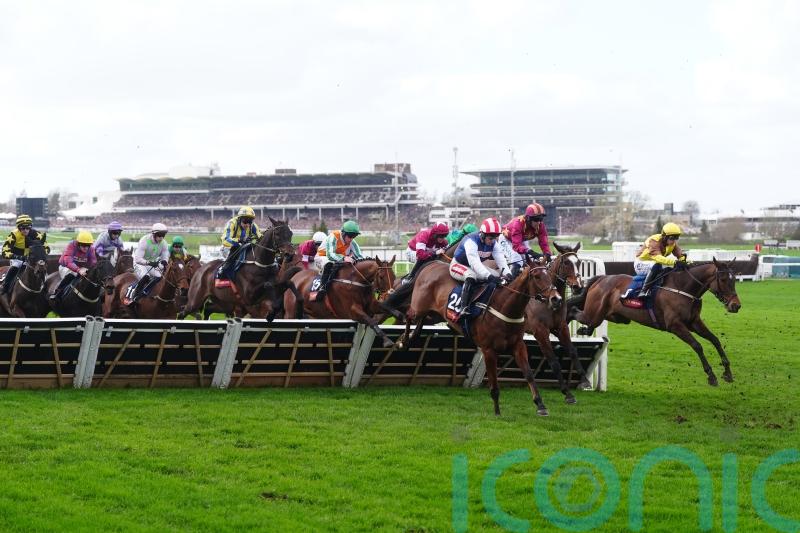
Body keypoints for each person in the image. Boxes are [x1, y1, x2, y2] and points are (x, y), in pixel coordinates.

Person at [449, 217, 512, 319]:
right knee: (471, 276)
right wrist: (489, 277)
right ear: (482, 235)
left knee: (498, 275)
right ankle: (463, 307)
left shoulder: (494, 244)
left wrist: (508, 274)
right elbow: (475, 263)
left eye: (495, 238)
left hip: (474, 266)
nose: (492, 241)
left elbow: (501, 260)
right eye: (490, 238)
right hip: (458, 265)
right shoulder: (471, 241)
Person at [621, 222, 688, 299]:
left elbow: (680, 254)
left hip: (655, 262)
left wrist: (684, 261)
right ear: (665, 237)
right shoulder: (654, 241)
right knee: (657, 265)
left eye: (676, 238)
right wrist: (674, 262)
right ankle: (643, 291)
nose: (674, 241)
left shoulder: (672, 244)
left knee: (668, 267)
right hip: (641, 263)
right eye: (672, 238)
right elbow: (658, 258)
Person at [314, 220, 364, 300]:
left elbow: (360, 257)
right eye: (350, 236)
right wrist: (344, 258)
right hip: (322, 257)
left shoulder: (352, 242)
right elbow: (330, 255)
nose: (351, 239)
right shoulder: (334, 236)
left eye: (354, 236)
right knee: (329, 264)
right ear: (343, 233)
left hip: (337, 259)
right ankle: (322, 288)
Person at [1, 214, 50, 295]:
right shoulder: (13, 235)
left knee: (43, 270)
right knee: (16, 266)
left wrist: (40, 256)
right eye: (22, 228)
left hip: (32, 259)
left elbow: (47, 248)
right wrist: (18, 257)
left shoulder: (36, 234)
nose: (25, 230)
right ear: (18, 227)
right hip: (18, 258)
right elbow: (4, 252)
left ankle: (46, 290)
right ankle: (5, 287)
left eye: (28, 228)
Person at [498, 203, 552, 275]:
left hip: (521, 240)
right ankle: (510, 282)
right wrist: (531, 252)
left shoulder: (540, 225)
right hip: (506, 239)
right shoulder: (518, 223)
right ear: (528, 218)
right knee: (517, 259)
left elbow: (544, 242)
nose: (538, 222)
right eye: (536, 219)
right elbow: (516, 246)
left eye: (541, 219)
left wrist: (547, 253)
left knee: (531, 260)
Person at [127, 223, 170, 304]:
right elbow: (138, 259)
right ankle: (135, 296)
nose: (161, 238)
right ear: (154, 234)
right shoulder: (144, 241)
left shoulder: (164, 243)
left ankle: (146, 292)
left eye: (163, 235)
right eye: (159, 235)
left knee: (159, 277)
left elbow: (165, 255)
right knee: (146, 277)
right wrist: (149, 262)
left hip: (151, 263)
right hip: (140, 263)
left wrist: (165, 261)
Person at [217, 206, 262, 279]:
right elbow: (225, 239)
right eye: (245, 221)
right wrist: (239, 240)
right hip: (228, 248)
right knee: (235, 252)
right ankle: (223, 271)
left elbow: (260, 237)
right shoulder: (232, 223)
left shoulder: (252, 225)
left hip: (244, 247)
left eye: (249, 222)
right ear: (239, 219)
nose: (247, 225)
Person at [52, 231, 97, 302]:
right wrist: (78, 270)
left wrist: (90, 269)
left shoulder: (91, 249)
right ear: (78, 244)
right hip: (66, 266)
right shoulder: (71, 246)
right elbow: (68, 261)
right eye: (83, 245)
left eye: (88, 245)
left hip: (80, 268)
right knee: (73, 274)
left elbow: (93, 262)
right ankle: (57, 293)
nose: (86, 248)